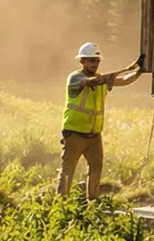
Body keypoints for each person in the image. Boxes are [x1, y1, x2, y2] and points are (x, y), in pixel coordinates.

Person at [61, 43, 145, 201]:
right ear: (82, 62)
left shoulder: (102, 79)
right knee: (68, 169)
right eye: (91, 60)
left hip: (94, 135)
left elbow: (126, 80)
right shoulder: (75, 78)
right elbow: (91, 82)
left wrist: (140, 70)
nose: (94, 64)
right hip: (74, 132)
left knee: (96, 167)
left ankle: (93, 201)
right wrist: (129, 66)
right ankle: (62, 202)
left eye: (97, 61)